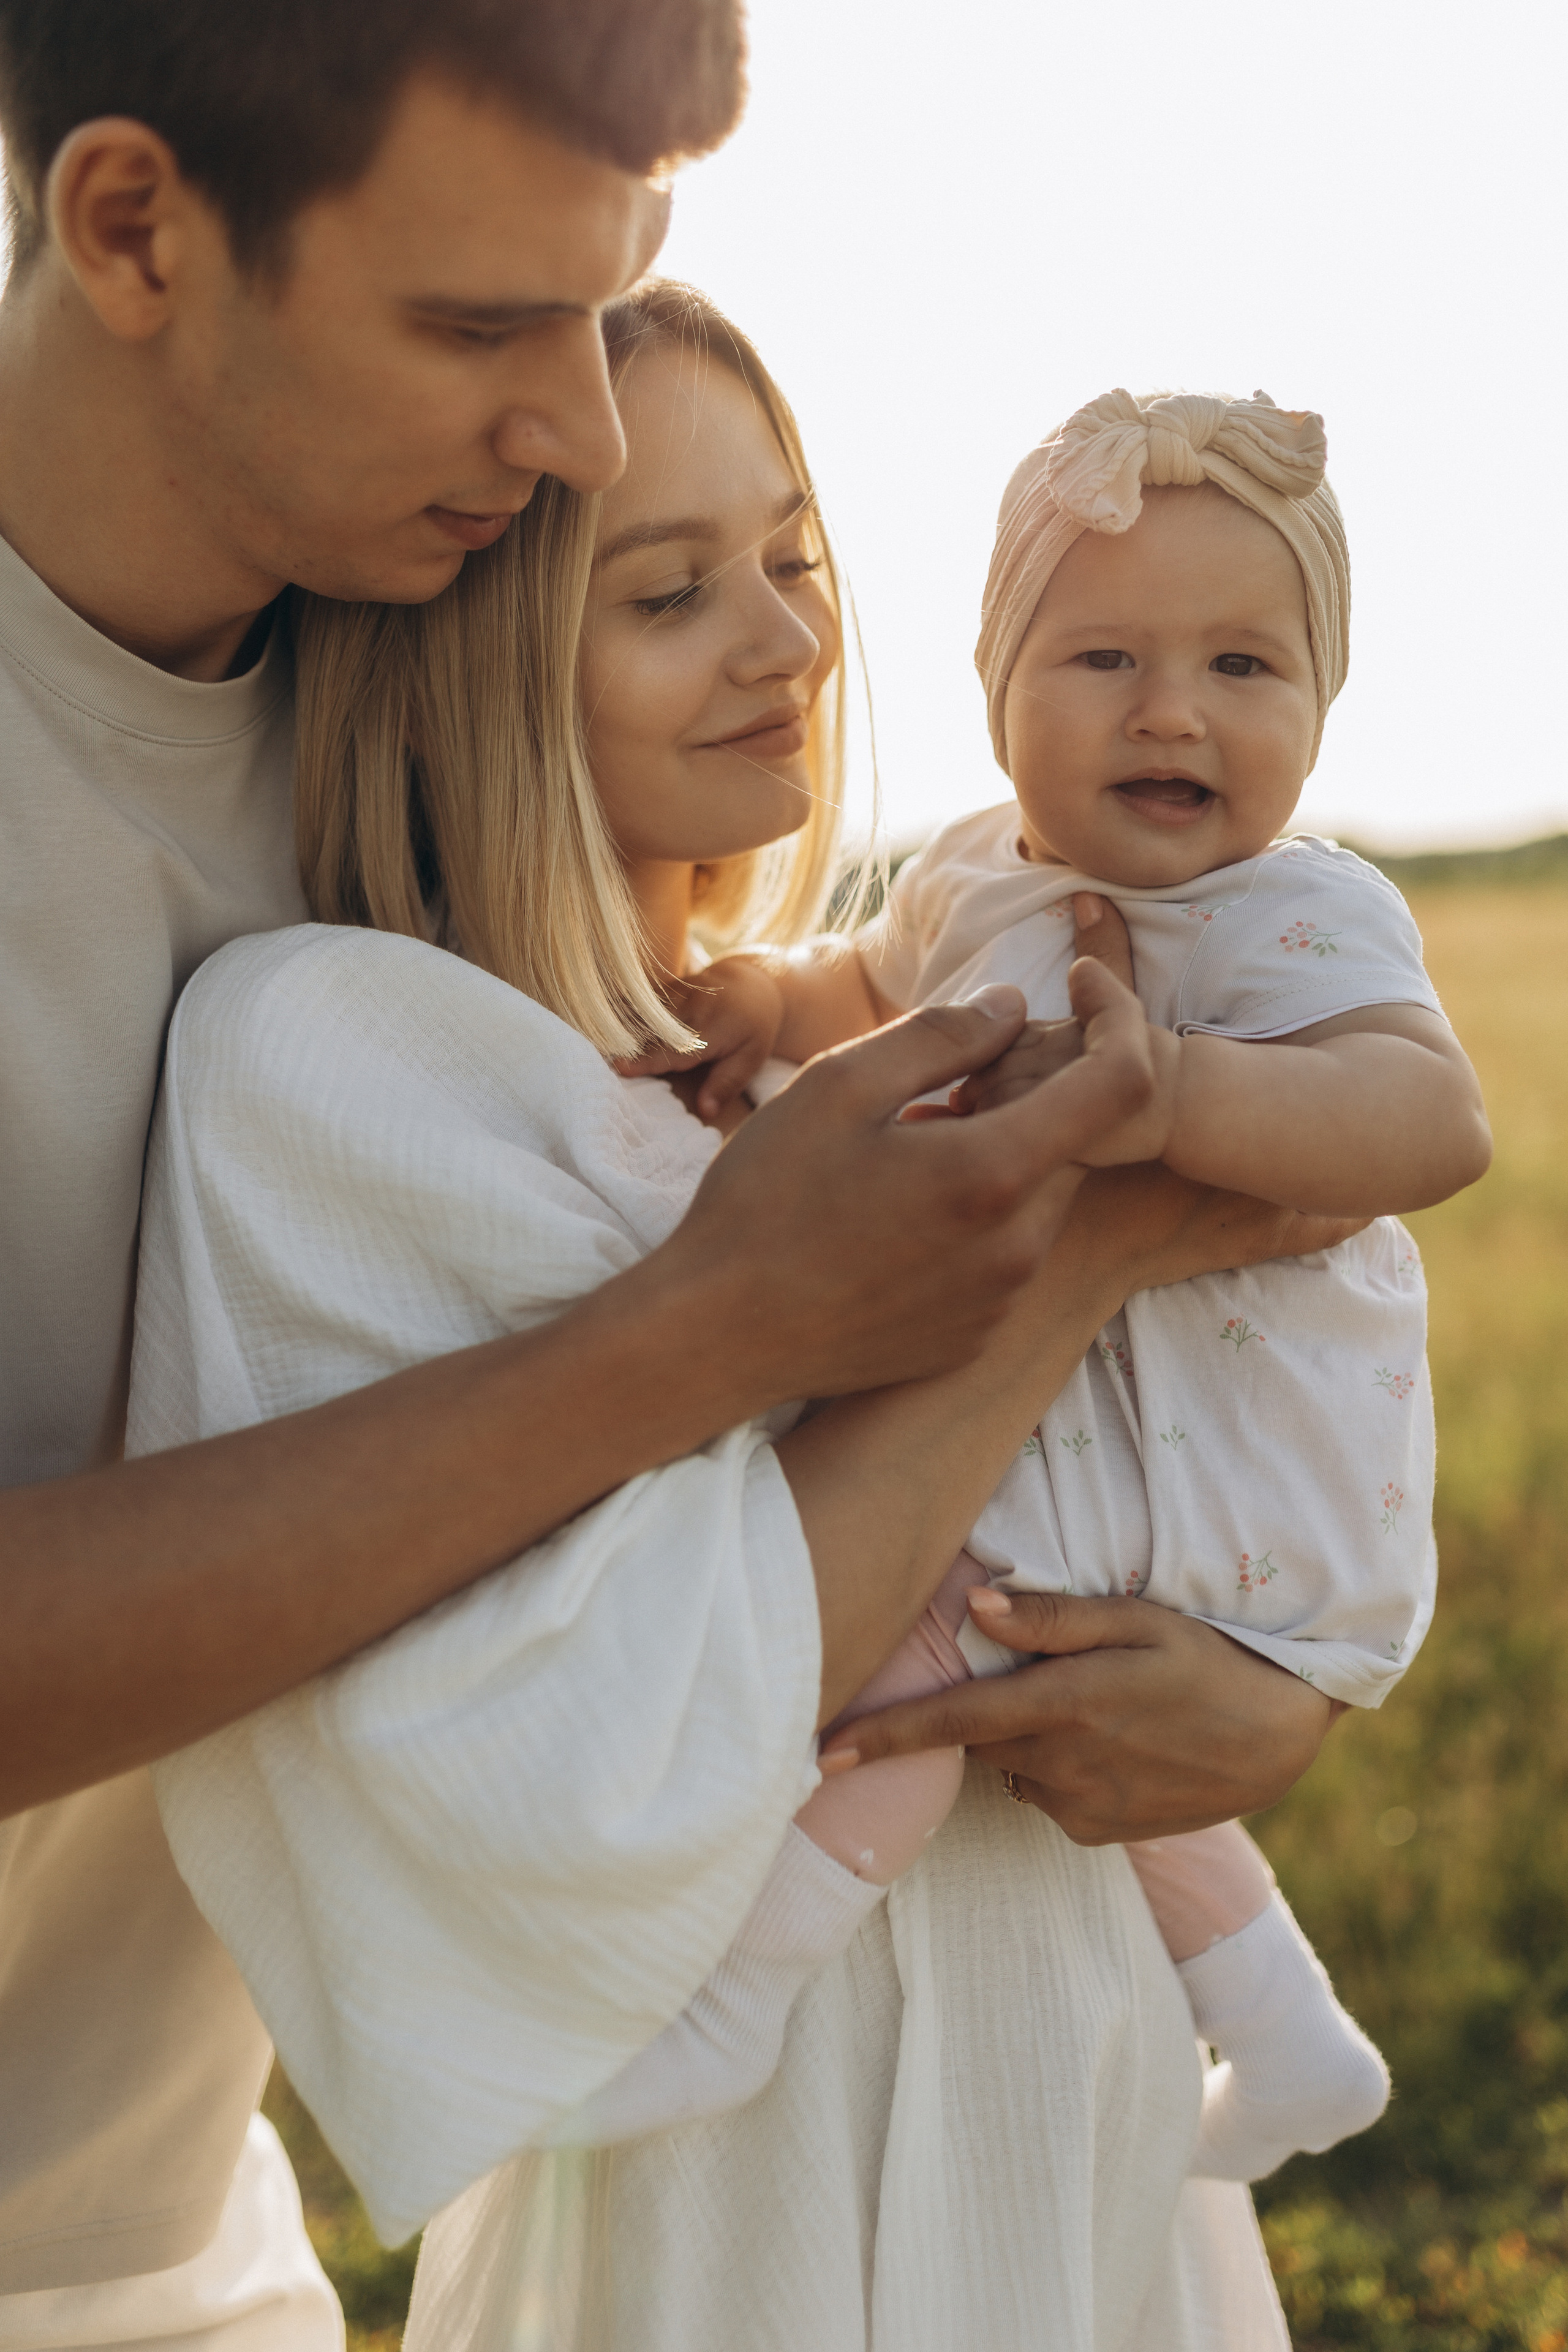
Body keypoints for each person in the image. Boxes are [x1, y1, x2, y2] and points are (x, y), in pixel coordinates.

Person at [0, 1, 1328, 2334]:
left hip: (173, 2226)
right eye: (483, 322)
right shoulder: (334, 994)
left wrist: (1276, 1672)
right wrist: (895, 1283)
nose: (576, 424)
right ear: (132, 227)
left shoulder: (370, 646)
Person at [627, 385, 1491, 2190]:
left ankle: (736, 1996)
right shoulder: (972, 875)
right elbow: (868, 987)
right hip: (1070, 1410)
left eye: (1244, 666)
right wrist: (767, 1002)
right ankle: (1289, 2034)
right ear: (994, 683)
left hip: (1219, 1445)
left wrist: (1177, 1094)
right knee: (1033, 1673)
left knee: (914, 1656)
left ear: (1323, 704)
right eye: (1104, 657)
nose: (1172, 709)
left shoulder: (1294, 917)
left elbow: (1431, 1119)